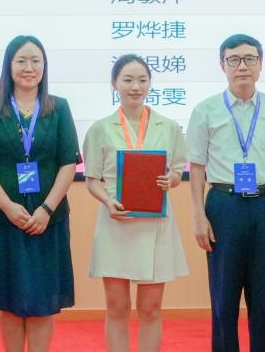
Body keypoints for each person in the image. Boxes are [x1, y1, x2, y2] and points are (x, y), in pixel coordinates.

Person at [186, 33, 265, 352]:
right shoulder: (206, 110)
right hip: (223, 206)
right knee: (223, 300)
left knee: (263, 300)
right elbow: (196, 168)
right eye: (234, 59)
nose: (242, 66)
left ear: (260, 64)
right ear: (222, 65)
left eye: (250, 59)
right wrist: (198, 216)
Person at [0, 35, 80, 352]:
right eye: (21, 60)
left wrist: (46, 209)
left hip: (48, 219)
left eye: (35, 60)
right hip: (3, 218)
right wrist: (7, 206)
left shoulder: (58, 108)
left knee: (43, 300)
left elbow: (68, 163)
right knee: (8, 299)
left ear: (44, 66)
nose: (28, 67)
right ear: (9, 66)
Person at [83, 54, 189, 352]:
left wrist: (171, 179)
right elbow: (92, 180)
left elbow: (178, 171)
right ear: (114, 84)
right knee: (117, 307)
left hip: (155, 225)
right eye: (128, 80)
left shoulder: (169, 127)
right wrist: (107, 201)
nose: (135, 87)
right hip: (116, 223)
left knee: (150, 308)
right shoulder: (100, 129)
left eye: (142, 80)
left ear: (150, 84)